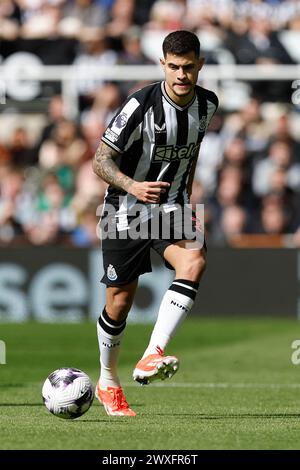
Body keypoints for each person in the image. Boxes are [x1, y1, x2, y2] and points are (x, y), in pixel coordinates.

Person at [92, 30, 218, 416]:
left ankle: (152, 354)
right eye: (174, 67)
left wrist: (184, 195)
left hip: (171, 208)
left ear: (200, 66)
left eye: (189, 68)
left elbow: (190, 155)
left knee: (194, 261)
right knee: (120, 302)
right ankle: (108, 381)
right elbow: (100, 160)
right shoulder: (139, 105)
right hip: (124, 209)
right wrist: (133, 185)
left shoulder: (208, 105)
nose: (182, 75)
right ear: (163, 64)